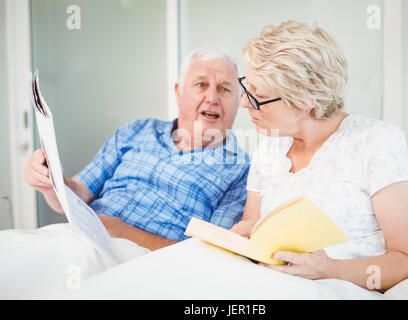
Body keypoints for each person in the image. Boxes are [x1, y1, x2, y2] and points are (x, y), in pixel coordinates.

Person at [0, 47, 250, 298]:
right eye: (201, 84)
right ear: (178, 92)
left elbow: (212, 257)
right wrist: (49, 182)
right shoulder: (137, 130)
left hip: (143, 264)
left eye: (224, 89)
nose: (212, 98)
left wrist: (123, 231)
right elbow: (78, 192)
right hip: (76, 236)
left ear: (236, 103)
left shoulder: (240, 170)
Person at [230, 20, 408, 292]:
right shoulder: (269, 147)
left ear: (303, 101)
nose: (243, 103)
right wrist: (246, 236)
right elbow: (253, 227)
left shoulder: (375, 142)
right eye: (247, 88)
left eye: (258, 95)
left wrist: (330, 271)